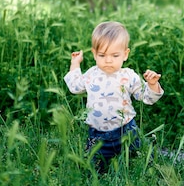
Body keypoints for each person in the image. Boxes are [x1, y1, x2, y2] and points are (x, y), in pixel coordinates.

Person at [64, 21, 164, 173]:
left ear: (125, 54)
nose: (108, 60)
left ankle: (147, 173)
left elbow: (147, 98)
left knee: (140, 161)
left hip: (127, 130)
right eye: (102, 55)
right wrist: (75, 63)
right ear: (94, 54)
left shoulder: (128, 76)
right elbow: (75, 86)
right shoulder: (91, 74)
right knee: (93, 169)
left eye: (115, 55)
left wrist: (152, 84)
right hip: (97, 134)